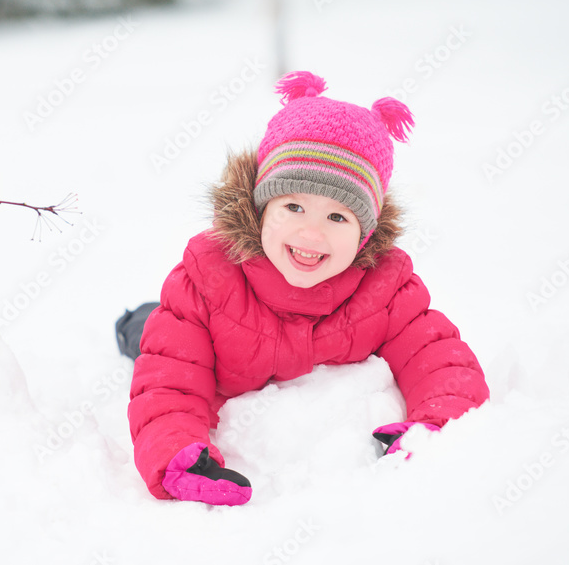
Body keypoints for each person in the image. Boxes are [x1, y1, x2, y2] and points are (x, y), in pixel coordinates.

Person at [121, 71, 489, 505]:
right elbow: (170, 382)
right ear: (261, 211)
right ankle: (130, 322)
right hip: (198, 335)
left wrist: (435, 427)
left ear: (365, 235)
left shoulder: (385, 287)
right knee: (150, 330)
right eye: (293, 206)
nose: (311, 234)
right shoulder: (206, 278)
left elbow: (439, 359)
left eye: (337, 218)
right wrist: (175, 456)